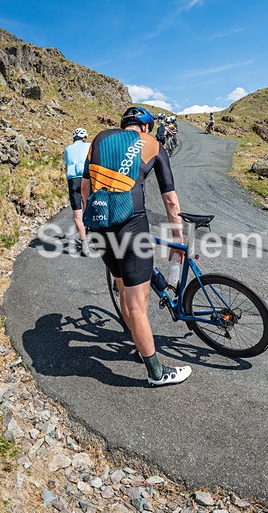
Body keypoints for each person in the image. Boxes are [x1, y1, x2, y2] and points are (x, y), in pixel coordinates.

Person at [81, 106, 191, 387]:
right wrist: (177, 240)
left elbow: (84, 189)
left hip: (100, 226)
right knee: (138, 303)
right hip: (131, 227)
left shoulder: (99, 139)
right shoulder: (153, 145)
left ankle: (138, 343)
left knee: (122, 287)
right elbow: (171, 201)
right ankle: (156, 372)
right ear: (145, 127)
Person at [64, 128, 92, 256]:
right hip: (85, 178)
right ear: (84, 138)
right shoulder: (88, 145)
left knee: (77, 215)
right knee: (88, 206)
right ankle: (90, 229)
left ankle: (84, 243)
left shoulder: (67, 149)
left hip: (72, 180)